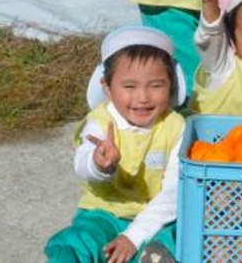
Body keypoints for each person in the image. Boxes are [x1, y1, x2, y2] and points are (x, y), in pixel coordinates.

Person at [44, 26, 186, 263]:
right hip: (103, 213)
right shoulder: (101, 121)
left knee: (178, 235)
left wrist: (134, 236)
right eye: (129, 87)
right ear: (107, 87)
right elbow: (82, 161)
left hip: (154, 218)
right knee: (81, 238)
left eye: (156, 85)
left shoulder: (175, 126)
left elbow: (173, 193)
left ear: (171, 85)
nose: (142, 97)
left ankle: (152, 255)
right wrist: (99, 163)